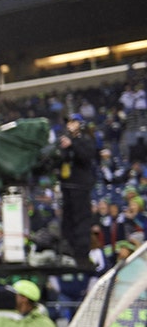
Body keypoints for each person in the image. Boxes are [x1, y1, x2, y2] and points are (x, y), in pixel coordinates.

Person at [57, 114, 98, 269]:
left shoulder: (86, 139)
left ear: (80, 124)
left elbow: (87, 156)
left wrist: (72, 144)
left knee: (81, 221)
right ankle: (68, 253)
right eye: (68, 122)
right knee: (67, 222)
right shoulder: (64, 140)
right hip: (67, 187)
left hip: (81, 187)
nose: (69, 125)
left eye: (73, 122)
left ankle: (81, 256)